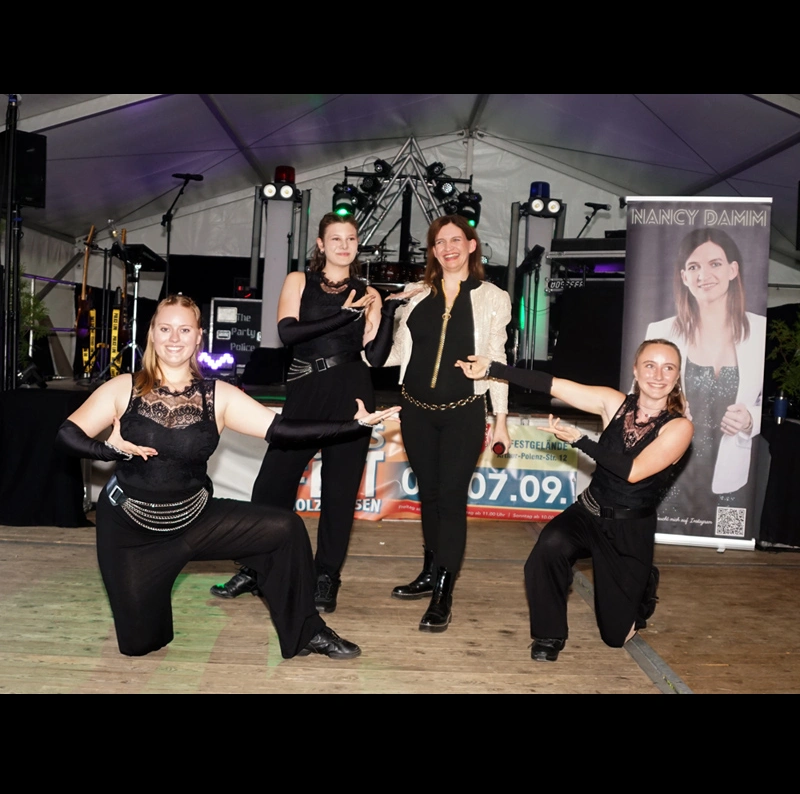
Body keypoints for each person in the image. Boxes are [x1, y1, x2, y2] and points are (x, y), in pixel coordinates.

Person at [55, 294, 398, 660]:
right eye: (165, 329)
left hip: (194, 520)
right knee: (141, 644)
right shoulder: (123, 388)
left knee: (285, 529)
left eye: (184, 330)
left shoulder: (217, 396)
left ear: (198, 337)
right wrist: (108, 450)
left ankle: (307, 631)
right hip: (130, 531)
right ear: (152, 334)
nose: (174, 338)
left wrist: (354, 425)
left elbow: (283, 430)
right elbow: (67, 434)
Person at [210, 213, 402, 613]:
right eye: (336, 238)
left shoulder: (368, 292)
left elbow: (376, 356)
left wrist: (388, 312)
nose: (344, 245)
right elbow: (287, 333)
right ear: (320, 244)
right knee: (271, 485)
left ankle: (326, 575)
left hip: (352, 392)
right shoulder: (300, 281)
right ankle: (256, 567)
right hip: (305, 392)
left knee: (339, 494)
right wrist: (343, 316)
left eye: (351, 238)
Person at [458, 339, 693, 662]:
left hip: (629, 530)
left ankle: (643, 585)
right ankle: (548, 635)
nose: (658, 375)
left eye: (668, 368)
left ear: (677, 377)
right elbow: (553, 384)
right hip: (588, 512)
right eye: (650, 366)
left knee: (615, 636)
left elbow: (634, 472)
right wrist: (494, 369)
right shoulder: (613, 403)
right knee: (548, 548)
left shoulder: (679, 428)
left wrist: (582, 441)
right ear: (636, 371)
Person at [382, 214, 511, 633]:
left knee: (451, 499)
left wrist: (501, 419)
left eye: (456, 240)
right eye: (440, 242)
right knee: (430, 494)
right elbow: (394, 355)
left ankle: (443, 593)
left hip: (464, 412)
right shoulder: (418, 295)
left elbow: (497, 360)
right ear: (433, 251)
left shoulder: (493, 297)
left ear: (471, 246)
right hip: (415, 410)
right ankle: (429, 571)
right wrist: (377, 317)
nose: (448, 248)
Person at [645, 228, 765, 518]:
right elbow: (637, 400)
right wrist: (666, 412)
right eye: (694, 267)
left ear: (733, 270)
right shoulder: (660, 332)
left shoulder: (761, 331)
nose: (704, 275)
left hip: (735, 478)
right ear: (684, 277)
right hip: (672, 474)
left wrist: (751, 418)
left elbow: (776, 404)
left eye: (715, 264)